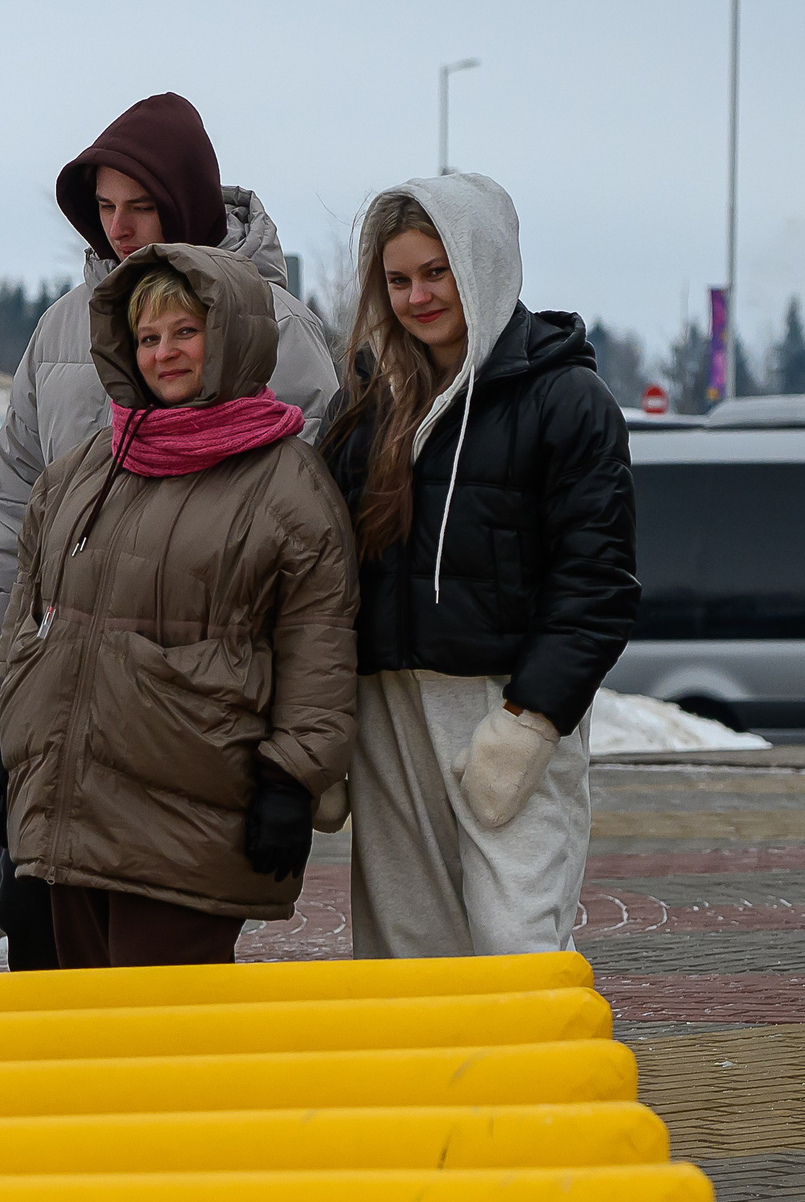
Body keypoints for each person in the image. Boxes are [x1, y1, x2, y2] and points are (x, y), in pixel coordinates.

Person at [0, 92, 342, 970]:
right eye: (104, 208)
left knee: (158, 988)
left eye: (142, 205)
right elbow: (20, 526)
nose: (120, 228)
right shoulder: (61, 333)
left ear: (186, 200)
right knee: (44, 955)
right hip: (66, 716)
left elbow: (310, 587)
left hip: (188, 728)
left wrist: (292, 765)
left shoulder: (280, 334)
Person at [324, 175, 638, 958]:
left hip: (503, 709)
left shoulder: (566, 399)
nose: (418, 297)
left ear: (482, 264)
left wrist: (533, 721)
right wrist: (320, 725)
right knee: (406, 953)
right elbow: (325, 570)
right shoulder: (365, 403)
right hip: (386, 710)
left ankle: (538, 1052)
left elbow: (596, 580)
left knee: (516, 938)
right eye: (399, 279)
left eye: (437, 272)